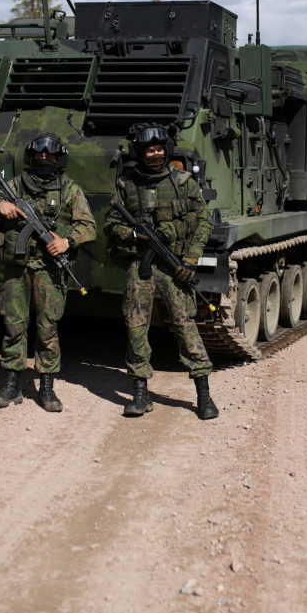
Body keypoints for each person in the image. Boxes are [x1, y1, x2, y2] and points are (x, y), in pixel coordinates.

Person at [104, 123, 218, 420]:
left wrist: (190, 259)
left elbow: (204, 221)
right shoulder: (127, 184)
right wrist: (133, 235)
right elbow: (111, 223)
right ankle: (140, 392)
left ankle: (203, 393)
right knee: (135, 326)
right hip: (140, 265)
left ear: (165, 150)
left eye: (158, 149)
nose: (154, 154)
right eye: (149, 150)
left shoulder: (183, 182)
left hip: (173, 264)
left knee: (184, 324)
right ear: (140, 152)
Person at [0, 132, 96, 412]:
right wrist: (0, 207)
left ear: (59, 159)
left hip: (49, 269)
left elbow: (89, 227)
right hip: (17, 268)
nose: (44, 159)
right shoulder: (14, 186)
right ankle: (12, 384)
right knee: (14, 325)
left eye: (50, 156)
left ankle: (46, 387)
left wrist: (67, 241)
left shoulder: (69, 190)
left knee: (47, 327)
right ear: (31, 158)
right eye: (39, 155)